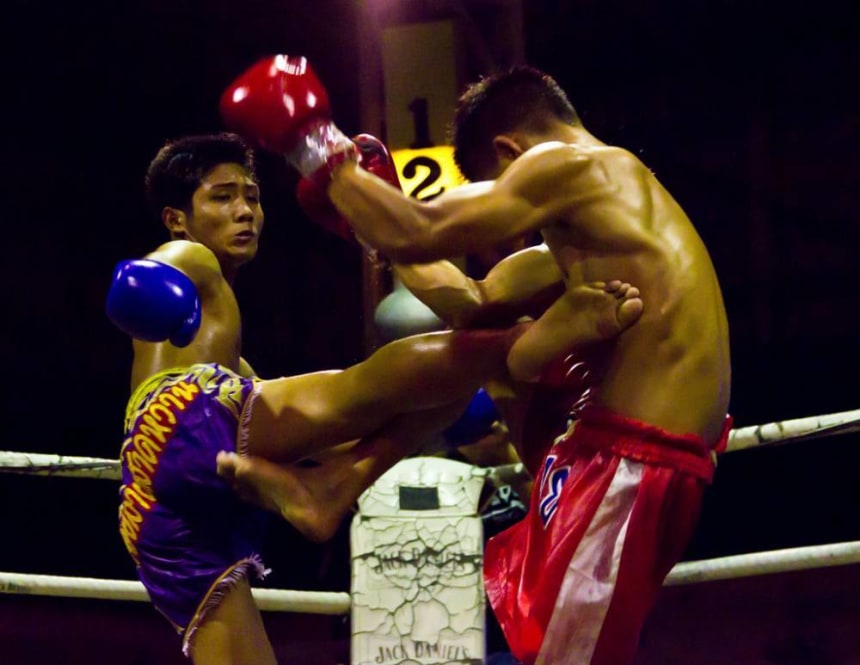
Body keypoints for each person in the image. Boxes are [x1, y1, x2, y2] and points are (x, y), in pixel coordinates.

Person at [219, 57, 732, 665]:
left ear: (510, 150)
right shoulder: (594, 231)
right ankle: (338, 483)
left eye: (502, 191)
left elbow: (419, 231)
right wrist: (368, 223)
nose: (513, 227)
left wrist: (312, 140)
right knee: (485, 346)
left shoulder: (573, 163)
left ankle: (333, 481)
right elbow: (471, 301)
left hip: (633, 459)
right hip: (625, 458)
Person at [106, 132, 640, 665]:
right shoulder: (190, 256)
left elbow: (308, 430)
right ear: (177, 218)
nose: (245, 210)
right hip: (173, 424)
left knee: (429, 399)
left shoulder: (226, 365)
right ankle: (517, 340)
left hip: (151, 507)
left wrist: (386, 444)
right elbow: (158, 267)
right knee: (372, 383)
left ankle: (333, 490)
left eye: (251, 195)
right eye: (222, 197)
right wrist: (145, 282)